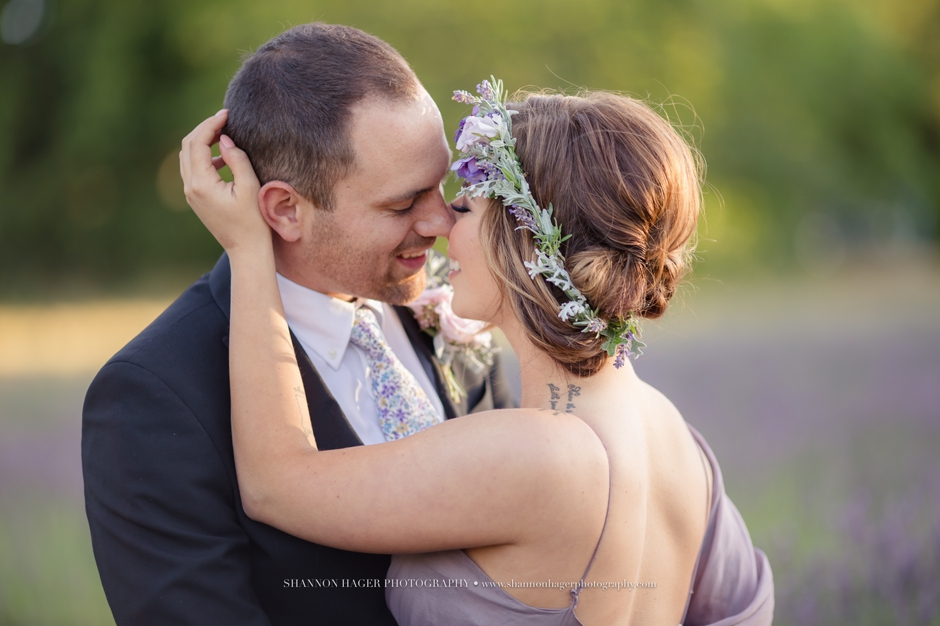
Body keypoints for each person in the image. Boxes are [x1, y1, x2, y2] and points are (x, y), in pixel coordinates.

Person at [182, 76, 775, 625]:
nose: (441, 225)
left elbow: (275, 486)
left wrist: (248, 251)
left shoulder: (539, 453)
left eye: (464, 206)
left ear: (521, 242)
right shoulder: (674, 438)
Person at [82, 24, 514, 626]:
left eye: (442, 185)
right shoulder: (152, 395)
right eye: (402, 203)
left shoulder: (460, 307)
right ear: (285, 209)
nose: (442, 221)